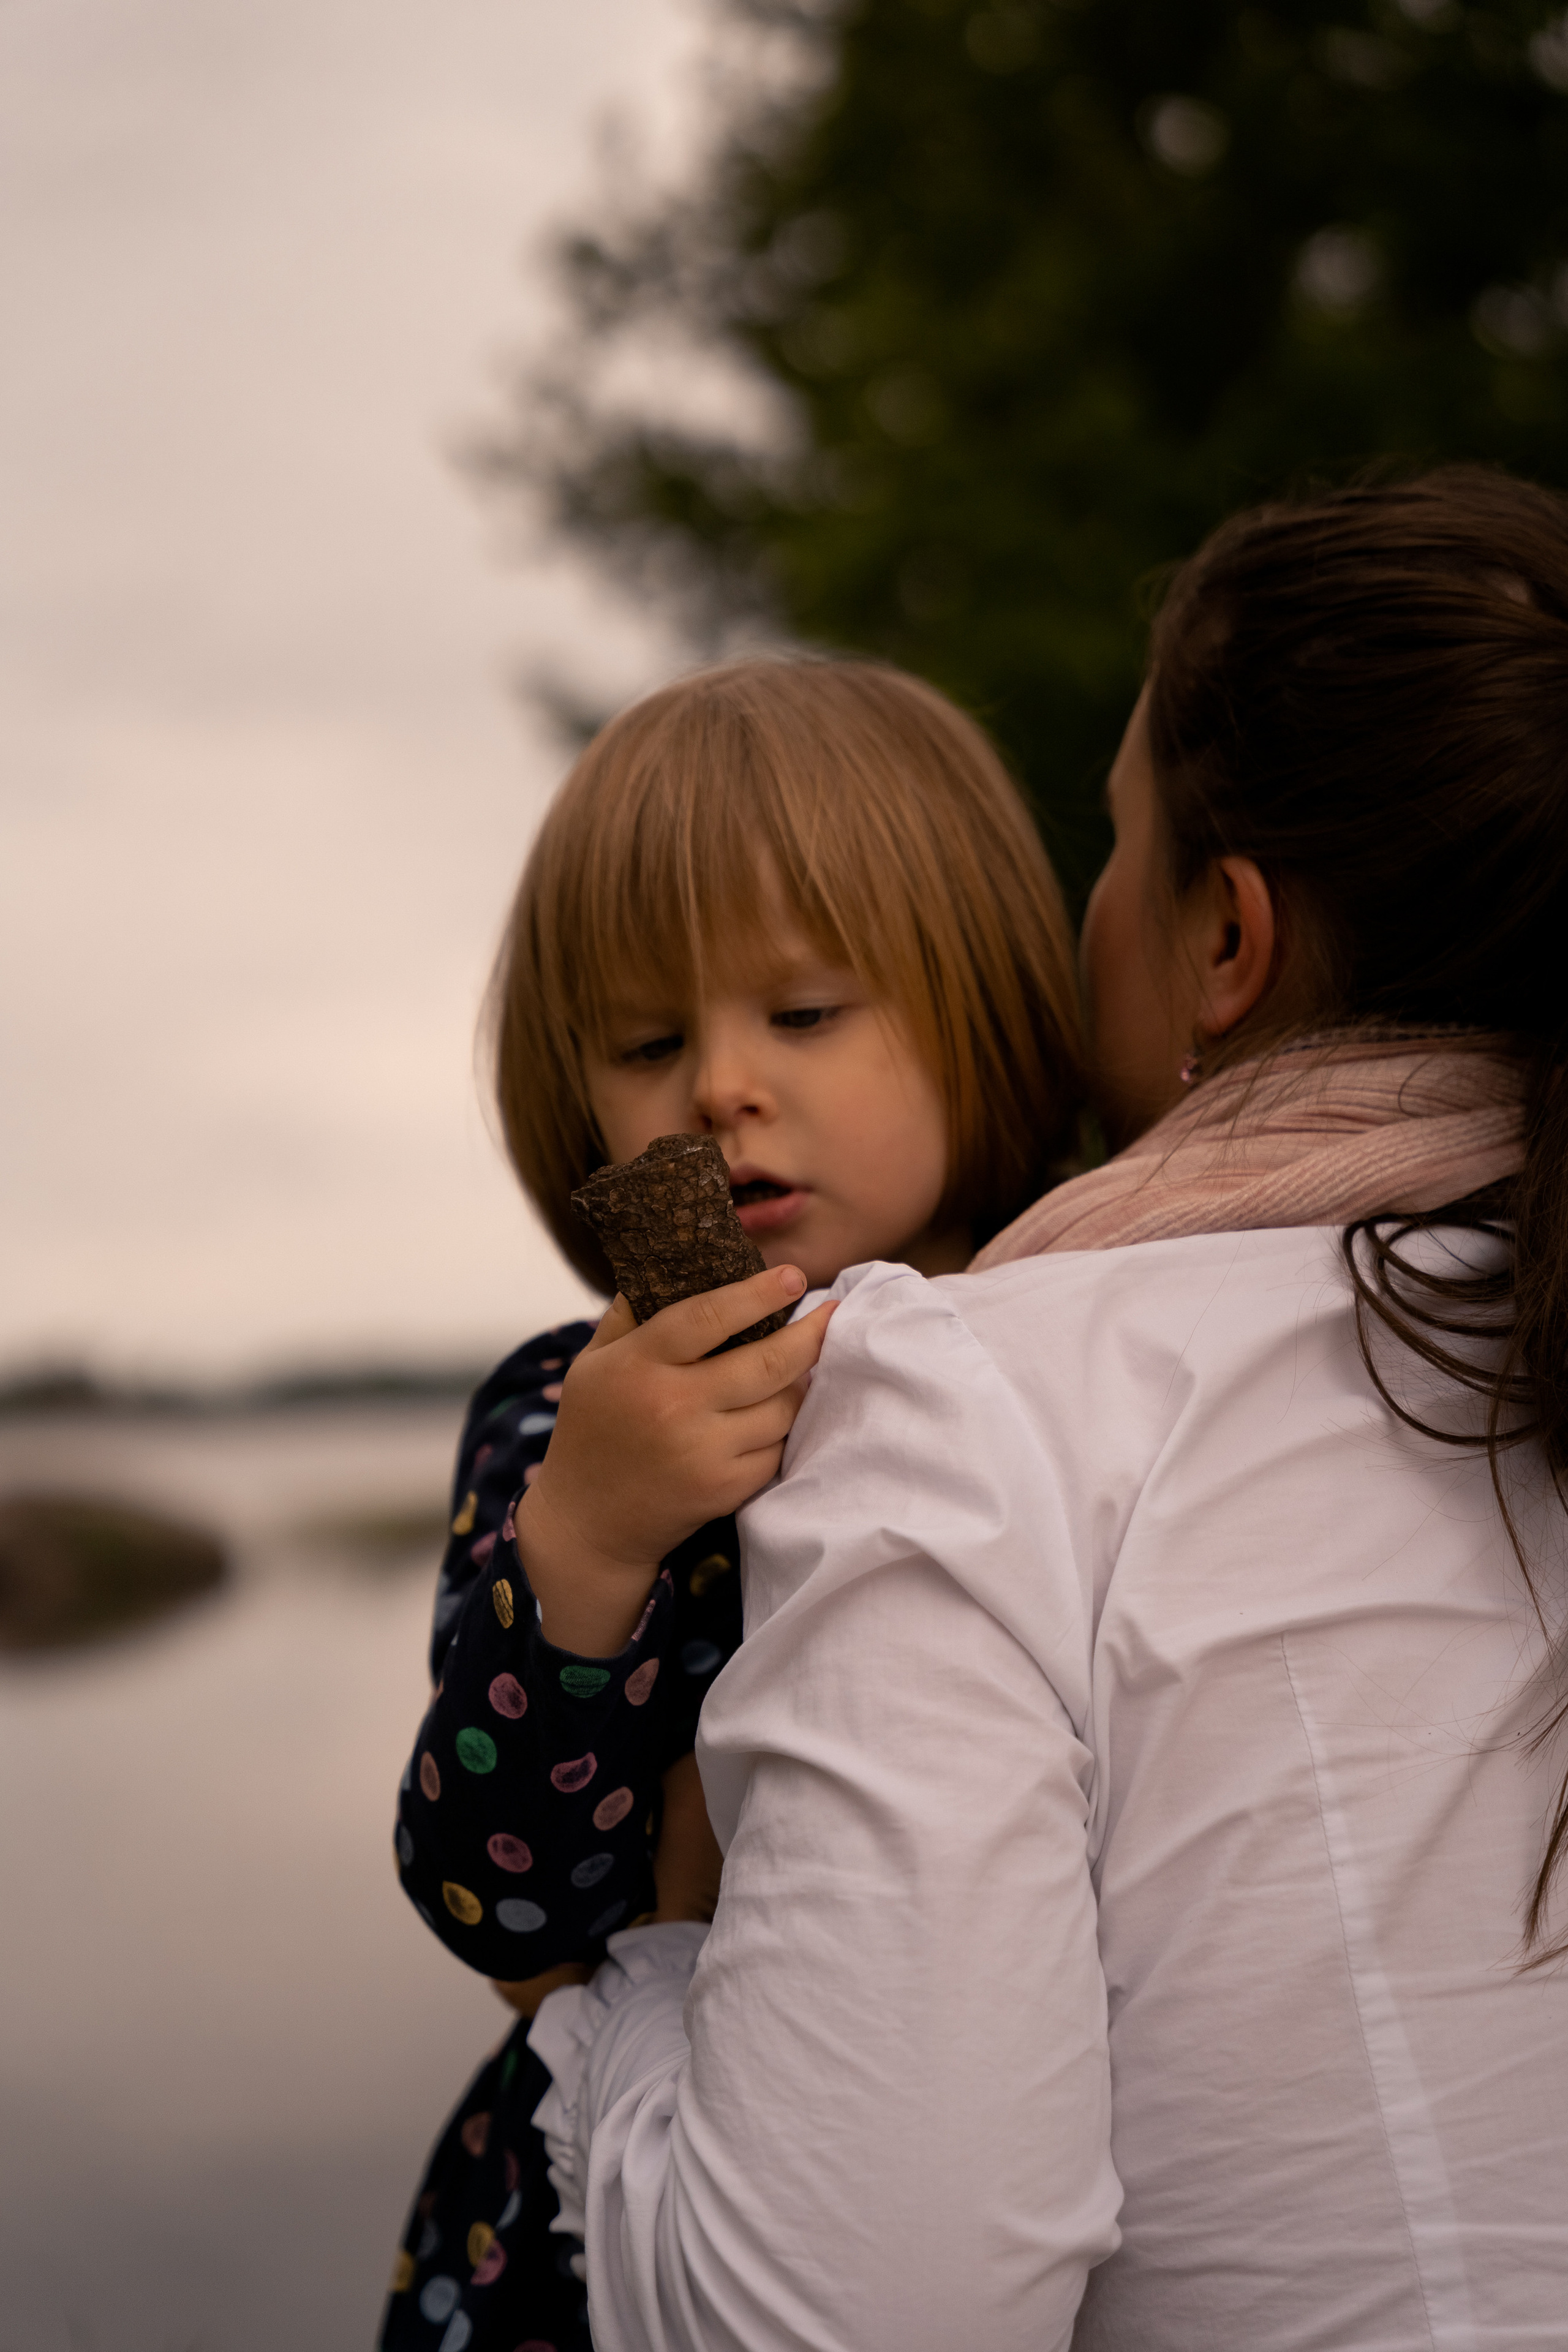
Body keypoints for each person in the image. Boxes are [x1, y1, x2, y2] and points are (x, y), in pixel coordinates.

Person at [522, 466, 1568, 2351]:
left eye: (1109, 844)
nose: (725, 1093)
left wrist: (652, 1974)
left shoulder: (982, 1395)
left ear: (1224, 944)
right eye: (655, 1041)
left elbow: (842, 2319)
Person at [379, 655, 1085, 2350]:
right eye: (643, 1041)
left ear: (980, 1003)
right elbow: (499, 1908)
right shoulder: (569, 1410)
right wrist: (594, 1543)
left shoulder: (1083, 1341)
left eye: (806, 1012)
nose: (718, 1086)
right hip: (574, 2253)